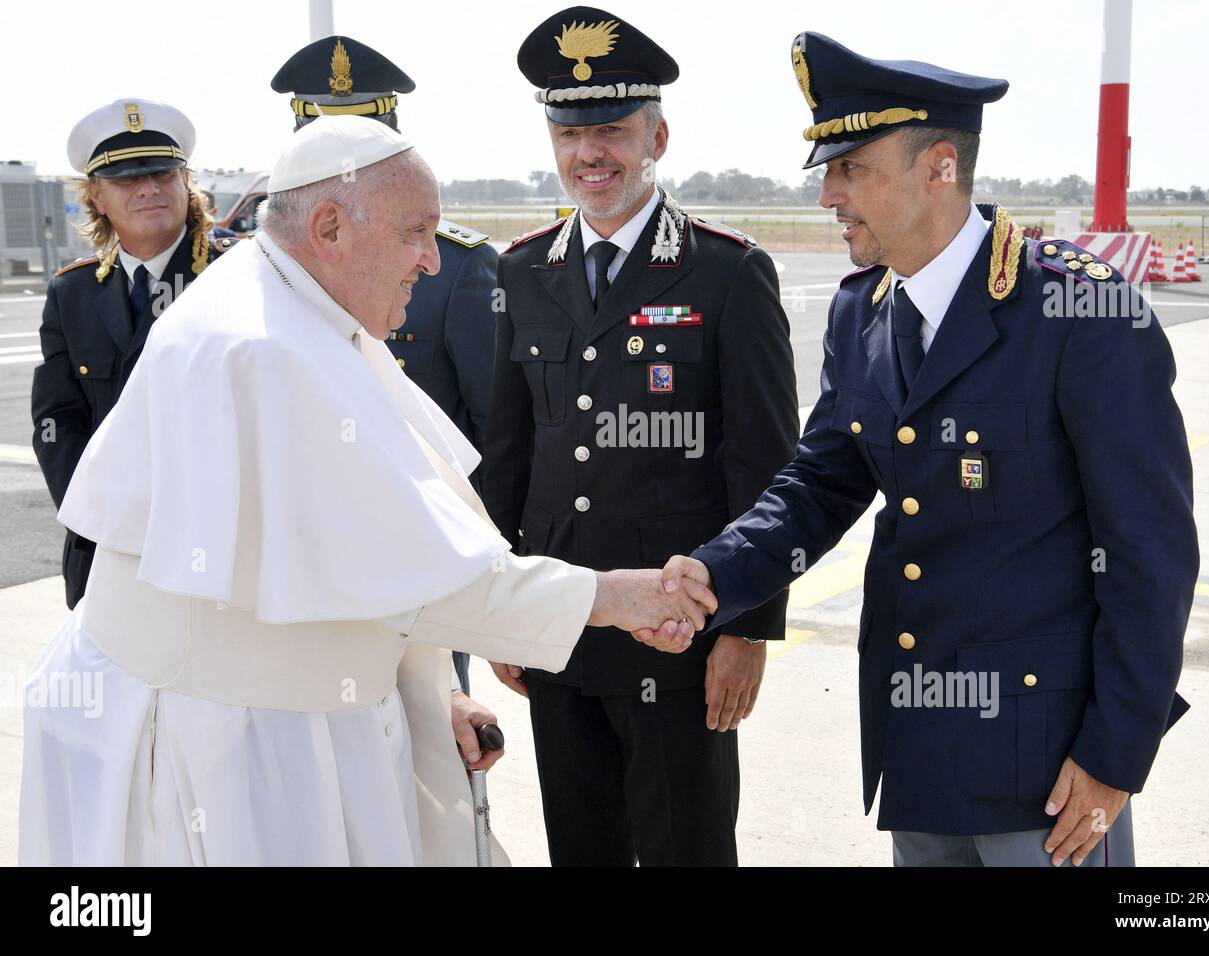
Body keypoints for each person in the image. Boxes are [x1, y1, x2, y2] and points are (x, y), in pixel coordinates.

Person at [19, 115, 712, 867]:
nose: (432, 262)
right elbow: (417, 575)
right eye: (417, 232)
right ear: (328, 227)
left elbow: (376, 563)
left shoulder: (303, 309)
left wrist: (431, 693)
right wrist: (614, 598)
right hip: (219, 746)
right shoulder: (261, 347)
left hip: (289, 720)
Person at [650, 32, 1198, 867]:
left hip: (1048, 767)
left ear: (939, 165)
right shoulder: (860, 311)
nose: (829, 194)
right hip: (919, 746)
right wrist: (718, 571)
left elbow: (1148, 553)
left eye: (853, 168)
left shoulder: (1078, 313)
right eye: (828, 172)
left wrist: (1116, 757)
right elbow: (823, 481)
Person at [481, 7, 799, 866]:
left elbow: (767, 469)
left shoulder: (726, 271)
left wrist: (748, 628)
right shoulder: (522, 271)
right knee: (580, 848)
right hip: (559, 619)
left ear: (659, 135)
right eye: (571, 130)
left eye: (614, 130)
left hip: (677, 627)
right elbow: (511, 456)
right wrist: (503, 612)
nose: (592, 152)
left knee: (681, 850)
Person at [272, 34, 501, 692]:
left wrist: (480, 578)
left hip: (419, 574)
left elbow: (493, 433)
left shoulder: (453, 267)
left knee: (437, 760)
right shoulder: (260, 272)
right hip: (302, 582)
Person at [31, 98, 236, 610]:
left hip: (215, 549)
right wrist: (98, 514)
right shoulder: (72, 293)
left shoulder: (240, 275)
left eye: (162, 174)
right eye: (126, 180)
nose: (148, 188)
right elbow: (57, 419)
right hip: (106, 547)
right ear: (96, 197)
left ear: (186, 183)